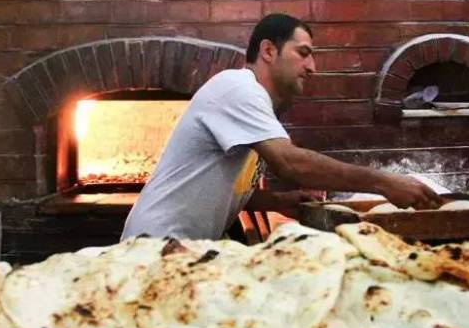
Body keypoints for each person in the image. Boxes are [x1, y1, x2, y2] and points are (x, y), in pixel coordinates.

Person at [122, 13, 442, 240]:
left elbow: (223, 188)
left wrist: (277, 202)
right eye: (303, 53)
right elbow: (290, 163)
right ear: (268, 51)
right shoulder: (238, 87)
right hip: (154, 246)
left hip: (180, 249)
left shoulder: (256, 104)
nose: (312, 67)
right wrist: (385, 182)